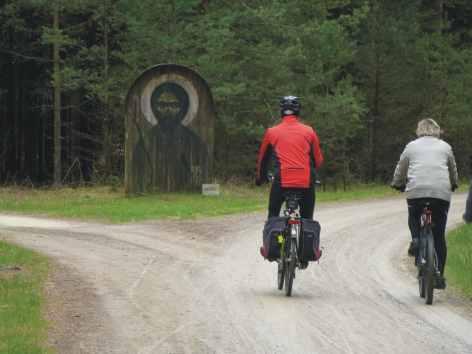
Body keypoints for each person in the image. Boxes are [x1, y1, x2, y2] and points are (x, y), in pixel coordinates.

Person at [391, 118, 458, 289]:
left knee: (414, 214)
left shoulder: (411, 146)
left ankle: (415, 239)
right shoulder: (445, 147)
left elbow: (401, 167)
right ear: (437, 131)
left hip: (417, 191)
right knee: (439, 235)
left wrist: (397, 183)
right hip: (440, 193)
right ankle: (440, 276)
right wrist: (454, 183)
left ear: (419, 130)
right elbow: (452, 169)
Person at [256, 95, 324, 220]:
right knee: (307, 219)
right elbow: (318, 160)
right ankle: (305, 237)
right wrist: (313, 173)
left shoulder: (271, 132)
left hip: (281, 180)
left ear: (281, 111)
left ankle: (271, 239)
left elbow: (262, 159)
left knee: (273, 216)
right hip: (305, 181)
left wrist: (261, 178)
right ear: (298, 111)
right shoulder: (309, 131)